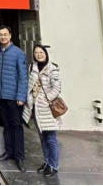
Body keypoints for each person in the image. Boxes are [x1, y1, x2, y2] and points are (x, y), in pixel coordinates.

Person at [23, 45, 62, 178]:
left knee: (51, 139)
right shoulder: (32, 67)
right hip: (36, 109)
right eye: (36, 53)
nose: (39, 54)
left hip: (47, 109)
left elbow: (56, 89)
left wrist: (46, 99)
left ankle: (54, 166)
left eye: (41, 52)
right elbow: (30, 85)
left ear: (45, 53)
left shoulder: (52, 69)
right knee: (43, 138)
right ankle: (47, 162)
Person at [0, 25, 28, 173]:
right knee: (6, 125)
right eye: (0, 34)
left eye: (5, 34)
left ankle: (19, 156)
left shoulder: (18, 53)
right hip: (1, 96)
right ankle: (8, 152)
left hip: (14, 97)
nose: (3, 37)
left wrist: (21, 96)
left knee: (16, 126)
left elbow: (23, 76)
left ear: (10, 36)